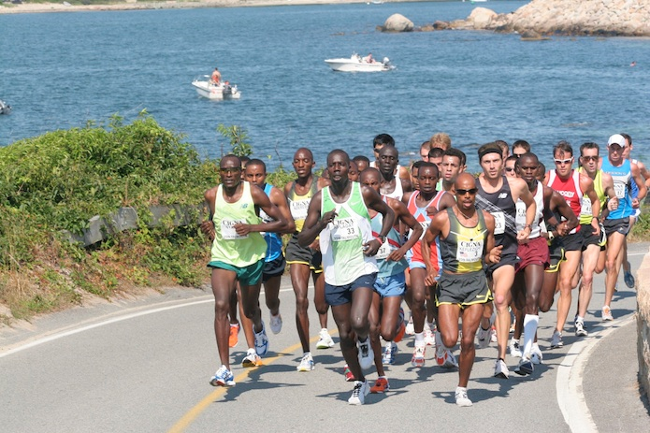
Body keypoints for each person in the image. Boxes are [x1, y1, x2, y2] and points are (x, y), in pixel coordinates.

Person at [298, 149, 395, 406]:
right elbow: (302, 238)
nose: (337, 168)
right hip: (334, 273)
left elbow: (390, 214)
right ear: (328, 170)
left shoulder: (362, 193)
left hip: (362, 267)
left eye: (342, 164)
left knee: (360, 321)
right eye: (333, 165)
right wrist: (320, 225)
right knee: (343, 334)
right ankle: (360, 382)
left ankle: (364, 341)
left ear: (349, 168)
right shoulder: (320, 199)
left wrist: (379, 239)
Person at [202, 155, 289, 387]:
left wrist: (253, 228)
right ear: (219, 173)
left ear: (240, 173)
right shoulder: (212, 195)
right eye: (224, 171)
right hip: (223, 257)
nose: (228, 175)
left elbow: (285, 224)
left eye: (233, 171)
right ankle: (224, 369)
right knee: (221, 305)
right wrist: (209, 228)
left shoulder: (256, 194)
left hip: (252, 258)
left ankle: (258, 328)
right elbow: (216, 221)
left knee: (249, 309)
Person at [423, 172, 501, 406]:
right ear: (454, 193)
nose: (467, 196)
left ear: (476, 192)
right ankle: (439, 325)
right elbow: (426, 242)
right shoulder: (442, 219)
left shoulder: (487, 219)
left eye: (471, 191)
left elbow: (488, 253)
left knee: (467, 341)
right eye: (462, 192)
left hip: (475, 283)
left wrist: (492, 256)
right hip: (449, 283)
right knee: (449, 340)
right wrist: (429, 269)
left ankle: (462, 388)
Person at [511, 153, 578, 375]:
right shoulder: (508, 190)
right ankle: (526, 344)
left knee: (539, 301)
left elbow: (572, 218)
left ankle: (528, 351)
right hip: (512, 247)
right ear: (517, 169)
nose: (529, 172)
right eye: (524, 168)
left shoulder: (546, 192)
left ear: (538, 169)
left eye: (533, 168)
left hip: (537, 245)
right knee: (520, 301)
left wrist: (560, 229)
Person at [474, 143, 536, 379]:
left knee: (501, 300)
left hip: (507, 252)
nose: (492, 166)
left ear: (503, 161)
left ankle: (500, 360)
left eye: (495, 161)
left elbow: (531, 204)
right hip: (477, 255)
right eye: (487, 162)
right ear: (481, 164)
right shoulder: (473, 188)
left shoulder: (516, 185)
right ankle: (485, 324)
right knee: (483, 308)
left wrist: (527, 227)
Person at [359, 168, 423, 393]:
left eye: (375, 183)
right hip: (368, 275)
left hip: (393, 273)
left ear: (381, 185)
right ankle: (380, 375)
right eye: (366, 184)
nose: (371, 188)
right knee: (373, 329)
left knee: (388, 333)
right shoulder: (356, 209)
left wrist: (404, 249)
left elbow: (418, 228)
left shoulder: (393, 206)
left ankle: (399, 317)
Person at [544, 141, 600, 348]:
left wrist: (594, 218)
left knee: (567, 283)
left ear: (573, 161)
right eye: (558, 162)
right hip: (552, 236)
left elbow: (594, 200)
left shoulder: (583, 181)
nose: (562, 166)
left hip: (574, 236)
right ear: (554, 162)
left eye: (566, 162)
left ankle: (558, 331)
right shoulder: (547, 178)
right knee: (548, 293)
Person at [283, 148, 333, 371]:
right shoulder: (288, 188)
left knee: (321, 301)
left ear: (313, 164)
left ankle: (324, 330)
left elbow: (333, 213)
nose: (301, 164)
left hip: (321, 245)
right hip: (298, 245)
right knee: (300, 299)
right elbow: (286, 219)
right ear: (293, 165)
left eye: (305, 161)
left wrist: (320, 237)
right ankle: (306, 353)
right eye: (297, 161)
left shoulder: (322, 185)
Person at [404, 162, 456, 367]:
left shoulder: (445, 199)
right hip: (416, 255)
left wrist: (441, 217)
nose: (426, 182)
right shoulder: (408, 198)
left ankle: (441, 347)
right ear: (416, 178)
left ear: (438, 179)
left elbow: (457, 225)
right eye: (422, 178)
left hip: (441, 258)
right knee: (418, 297)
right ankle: (419, 342)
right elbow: (402, 224)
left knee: (437, 303)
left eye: (431, 178)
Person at [600, 134, 647, 321]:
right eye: (613, 148)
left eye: (619, 148)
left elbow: (642, 187)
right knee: (600, 266)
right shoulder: (599, 164)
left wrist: (638, 198)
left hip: (622, 216)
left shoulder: (632, 167)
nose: (616, 151)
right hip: (603, 218)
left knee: (611, 262)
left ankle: (606, 306)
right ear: (607, 148)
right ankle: (625, 267)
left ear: (624, 149)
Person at [574, 143, 617, 336]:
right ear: (581, 160)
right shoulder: (574, 177)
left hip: (593, 230)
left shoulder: (605, 179)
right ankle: (577, 307)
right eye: (587, 158)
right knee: (573, 281)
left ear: (599, 159)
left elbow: (612, 200)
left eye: (594, 158)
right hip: (573, 231)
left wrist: (604, 213)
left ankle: (580, 320)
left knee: (591, 275)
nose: (591, 162)